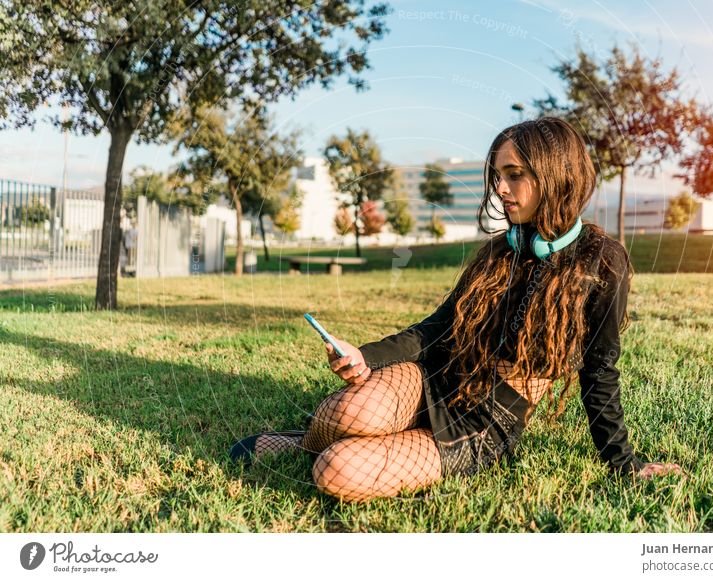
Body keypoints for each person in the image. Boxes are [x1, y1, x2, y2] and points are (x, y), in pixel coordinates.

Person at [229, 117, 684, 502]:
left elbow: (600, 371)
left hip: (487, 419)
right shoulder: (499, 252)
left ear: (555, 175)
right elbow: (437, 328)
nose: (500, 189)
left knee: (335, 471)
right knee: (348, 415)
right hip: (435, 375)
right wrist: (367, 355)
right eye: (497, 175)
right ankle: (300, 439)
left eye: (514, 174)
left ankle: (358, 443)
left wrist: (623, 463)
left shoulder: (603, 262)